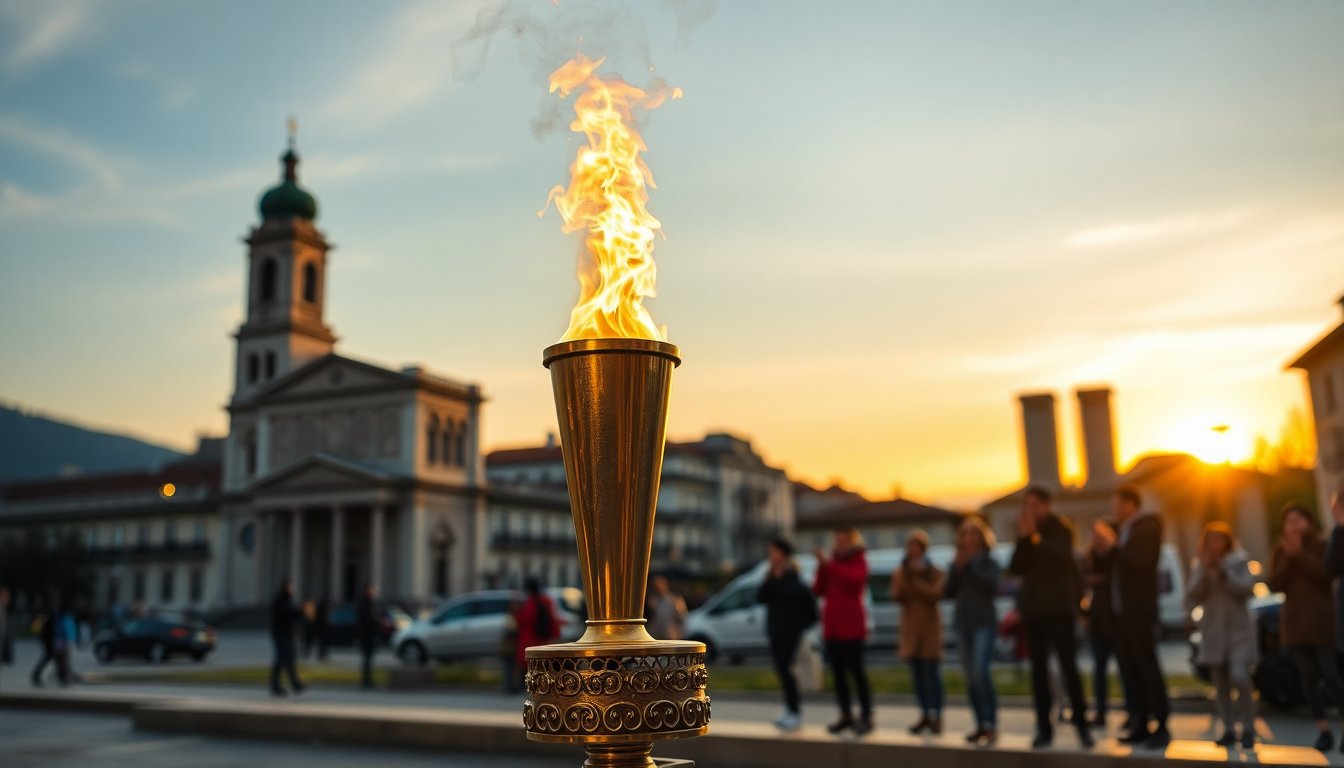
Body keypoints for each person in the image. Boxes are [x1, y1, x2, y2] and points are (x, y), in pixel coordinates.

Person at [1009, 486, 1092, 749]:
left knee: (1069, 667)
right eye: (1027, 505)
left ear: (1047, 505)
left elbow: (1059, 558)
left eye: (1035, 505)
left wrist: (1033, 537)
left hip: (1059, 610)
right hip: (1034, 612)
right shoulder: (1027, 535)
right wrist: (1025, 539)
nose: (1031, 510)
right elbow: (1016, 567)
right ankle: (1044, 728)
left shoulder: (1060, 530)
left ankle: (1081, 724)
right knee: (1039, 671)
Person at [1094, 484, 1170, 749]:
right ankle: (1139, 722)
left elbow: (1140, 563)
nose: (1114, 512)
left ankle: (1161, 724)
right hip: (1121, 614)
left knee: (1147, 667)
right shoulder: (1125, 531)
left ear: (1130, 505)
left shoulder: (1147, 528)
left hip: (1139, 612)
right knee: (1130, 670)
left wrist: (1112, 547)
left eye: (1117, 506)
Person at [1269, 503, 1344, 753]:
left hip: (1322, 622)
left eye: (1298, 519)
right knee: (1308, 678)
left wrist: (1300, 554)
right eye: (1289, 521)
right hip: (1295, 623)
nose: (1293, 525)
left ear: (1309, 521)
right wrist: (1290, 557)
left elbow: (1325, 576)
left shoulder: (1323, 545)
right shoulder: (1282, 550)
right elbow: (1274, 584)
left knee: (1331, 675)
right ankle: (1323, 729)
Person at [1186, 522, 1258, 749]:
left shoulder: (1239, 561)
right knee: (1221, 684)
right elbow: (1193, 594)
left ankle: (1248, 727)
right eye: (1210, 540)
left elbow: (1247, 589)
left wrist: (1225, 572)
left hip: (1238, 629)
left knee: (1239, 674)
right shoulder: (1200, 565)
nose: (1215, 545)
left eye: (1219, 540)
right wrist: (1206, 574)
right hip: (1213, 630)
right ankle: (1228, 728)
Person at [813, 524, 873, 736]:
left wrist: (828, 565)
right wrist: (821, 567)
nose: (840, 545)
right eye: (837, 541)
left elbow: (854, 582)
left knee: (856, 672)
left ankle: (866, 716)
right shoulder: (831, 563)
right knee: (838, 674)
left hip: (852, 627)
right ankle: (846, 714)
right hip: (833, 627)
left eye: (844, 541)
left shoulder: (859, 560)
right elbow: (818, 589)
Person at [945, 517, 1001, 746]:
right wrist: (957, 569)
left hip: (983, 622)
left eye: (973, 533)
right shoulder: (958, 563)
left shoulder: (988, 562)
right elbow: (948, 591)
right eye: (964, 534)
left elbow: (990, 586)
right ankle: (979, 724)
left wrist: (969, 565)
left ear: (981, 537)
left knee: (980, 672)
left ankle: (991, 723)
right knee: (970, 677)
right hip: (963, 623)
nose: (968, 538)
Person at [756, 536, 818, 732]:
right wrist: (771, 577)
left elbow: (807, 604)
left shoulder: (793, 575)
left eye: (773, 551)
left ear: (782, 553)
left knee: (786, 669)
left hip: (789, 631)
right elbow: (761, 597)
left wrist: (799, 626)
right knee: (782, 669)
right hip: (775, 630)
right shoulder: (772, 574)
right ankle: (790, 710)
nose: (770, 555)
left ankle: (795, 712)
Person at [890, 529, 945, 735]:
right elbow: (896, 594)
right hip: (911, 631)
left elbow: (936, 594)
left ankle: (936, 715)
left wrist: (917, 581)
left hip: (929, 630)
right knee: (918, 678)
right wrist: (907, 577)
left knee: (932, 676)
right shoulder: (901, 572)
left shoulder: (935, 571)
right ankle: (924, 714)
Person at [1083, 518, 1126, 729]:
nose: (1097, 541)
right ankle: (1100, 712)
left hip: (1115, 620)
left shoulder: (1115, 556)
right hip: (1097, 620)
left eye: (1101, 537)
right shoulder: (1089, 558)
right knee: (1099, 669)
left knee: (1124, 669)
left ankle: (1131, 712)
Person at [514, 577, 559, 678]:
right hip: (545, 638)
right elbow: (553, 618)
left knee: (529, 664)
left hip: (530, 638)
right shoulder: (546, 600)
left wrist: (516, 613)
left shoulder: (530, 602)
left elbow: (523, 618)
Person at [269, 580, 305, 697]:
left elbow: (291, 615)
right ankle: (275, 686)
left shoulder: (287, 601)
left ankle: (295, 683)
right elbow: (287, 615)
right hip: (281, 635)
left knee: (289, 659)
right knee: (281, 659)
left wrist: (299, 612)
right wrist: (300, 611)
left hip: (287, 635)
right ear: (285, 588)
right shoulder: (280, 601)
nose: (292, 589)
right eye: (290, 587)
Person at [647, 576, 687, 641]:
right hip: (655, 635)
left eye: (660, 584)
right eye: (655, 585)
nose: (658, 587)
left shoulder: (675, 599)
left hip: (669, 635)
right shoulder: (653, 600)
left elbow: (682, 617)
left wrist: (678, 632)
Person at [356, 584, 380, 689]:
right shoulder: (364, 604)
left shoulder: (371, 603)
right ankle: (365, 680)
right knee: (367, 659)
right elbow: (367, 619)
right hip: (366, 635)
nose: (373, 592)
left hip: (370, 635)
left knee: (369, 659)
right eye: (371, 590)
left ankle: (367, 679)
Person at [30, 602, 55, 687]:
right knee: (47, 657)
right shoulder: (47, 613)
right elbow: (35, 628)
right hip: (48, 640)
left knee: (49, 657)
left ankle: (54, 676)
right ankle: (36, 676)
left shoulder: (46, 613)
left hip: (47, 639)